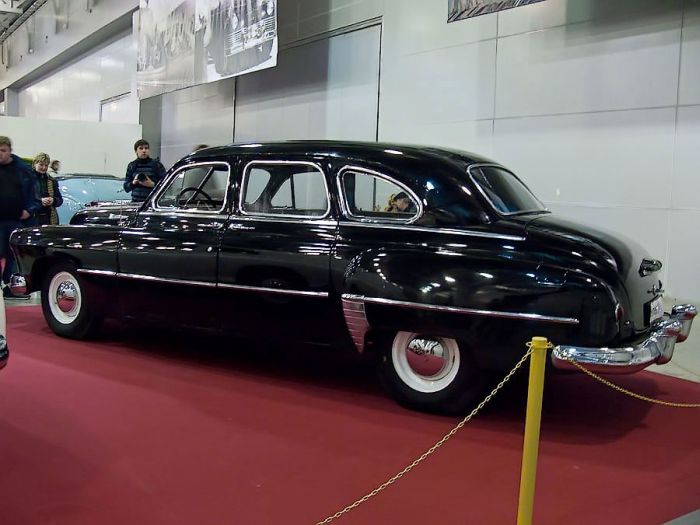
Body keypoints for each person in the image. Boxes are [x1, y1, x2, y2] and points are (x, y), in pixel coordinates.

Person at [0, 136, 41, 298]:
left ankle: (8, 286)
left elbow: (34, 193)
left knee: (12, 256)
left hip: (16, 220)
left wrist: (29, 210)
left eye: (3, 150)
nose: (0, 154)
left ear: (10, 151)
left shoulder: (23, 170)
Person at [32, 152, 63, 226]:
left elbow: (60, 200)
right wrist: (40, 201)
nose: (44, 168)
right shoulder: (27, 179)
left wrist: (53, 200)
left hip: (49, 218)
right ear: (34, 164)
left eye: (46, 165)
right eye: (41, 165)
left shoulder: (52, 180)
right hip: (32, 217)